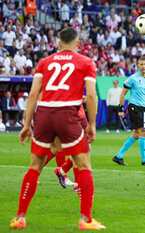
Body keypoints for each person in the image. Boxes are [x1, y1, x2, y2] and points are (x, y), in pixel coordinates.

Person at [10, 27, 105, 230]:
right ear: (78, 43)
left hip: (44, 114)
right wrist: (93, 124)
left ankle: (20, 217)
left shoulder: (44, 62)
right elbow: (90, 95)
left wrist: (27, 125)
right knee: (84, 164)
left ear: (59, 43)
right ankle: (86, 220)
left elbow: (34, 94)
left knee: (35, 166)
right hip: (68, 115)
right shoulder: (86, 62)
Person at [112, 56, 145, 166]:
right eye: (141, 64)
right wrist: (121, 108)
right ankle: (144, 160)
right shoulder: (132, 78)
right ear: (137, 65)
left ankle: (118, 156)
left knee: (136, 134)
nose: (143, 66)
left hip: (143, 107)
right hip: (134, 107)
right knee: (143, 131)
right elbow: (123, 93)